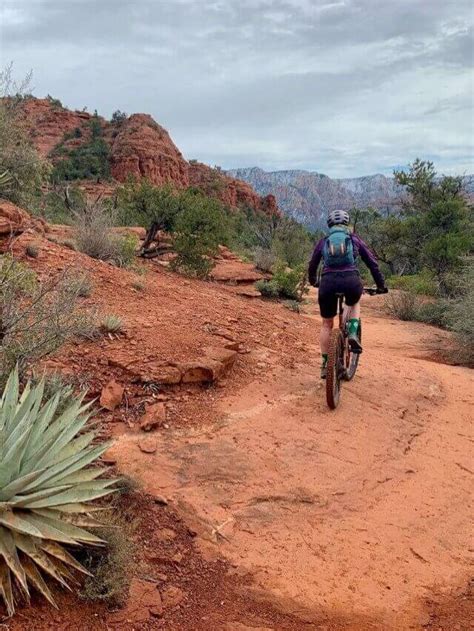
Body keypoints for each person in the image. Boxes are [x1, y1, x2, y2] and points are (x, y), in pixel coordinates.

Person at [308, 209, 388, 379]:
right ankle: (352, 332)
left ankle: (325, 363)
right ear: (346, 224)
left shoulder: (324, 241)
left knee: (326, 325)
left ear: (330, 225)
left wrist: (314, 281)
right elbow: (372, 263)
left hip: (327, 283)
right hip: (351, 281)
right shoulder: (354, 239)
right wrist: (381, 285)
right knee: (354, 301)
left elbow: (312, 264)